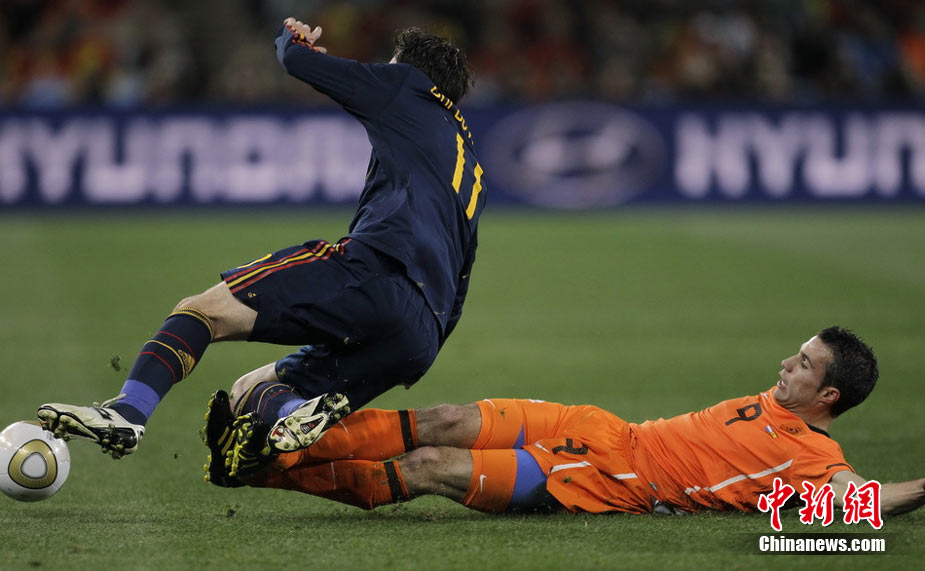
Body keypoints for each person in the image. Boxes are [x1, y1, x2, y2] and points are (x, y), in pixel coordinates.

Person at [37, 18, 485, 464]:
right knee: (250, 391)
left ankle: (127, 413)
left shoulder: (406, 87)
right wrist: (420, 348)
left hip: (377, 274)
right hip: (421, 335)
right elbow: (461, 282)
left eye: (388, 65)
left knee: (202, 311)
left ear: (406, 68)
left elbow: (296, 61)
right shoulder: (470, 168)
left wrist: (294, 37)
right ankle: (293, 414)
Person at [205, 326, 925, 517]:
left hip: (611, 476)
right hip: (606, 426)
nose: (786, 363)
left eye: (803, 364)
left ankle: (262, 472)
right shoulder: (779, 400)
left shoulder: (812, 461)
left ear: (828, 396)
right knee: (442, 417)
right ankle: (268, 444)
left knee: (426, 469)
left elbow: (860, 501)